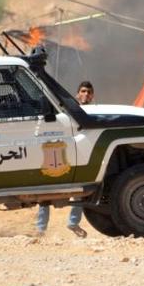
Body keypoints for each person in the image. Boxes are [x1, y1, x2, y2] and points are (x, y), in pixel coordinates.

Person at [35, 81, 95, 238]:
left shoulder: (94, 112)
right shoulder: (69, 109)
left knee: (81, 192)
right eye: (83, 91)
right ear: (77, 94)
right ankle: (41, 229)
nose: (86, 95)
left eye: (89, 92)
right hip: (63, 155)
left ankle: (73, 223)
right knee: (47, 192)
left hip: (81, 157)